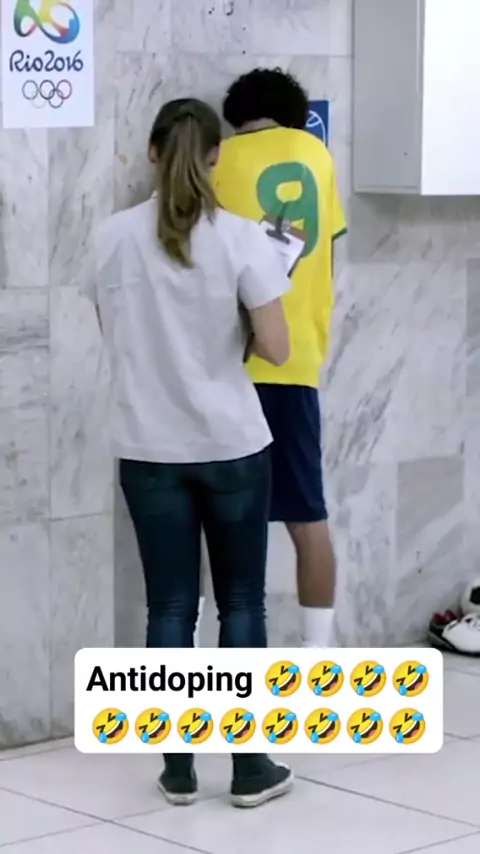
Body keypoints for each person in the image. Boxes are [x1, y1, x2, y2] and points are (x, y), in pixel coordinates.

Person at [87, 98, 293, 808]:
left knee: (170, 608)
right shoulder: (242, 239)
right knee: (241, 604)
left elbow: (112, 332)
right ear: (215, 158)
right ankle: (249, 767)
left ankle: (178, 768)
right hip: (233, 444)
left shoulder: (109, 237)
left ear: (151, 153)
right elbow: (278, 348)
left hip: (148, 448)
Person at [212, 68, 347, 649]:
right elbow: (328, 249)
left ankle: (201, 658)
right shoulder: (318, 156)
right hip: (299, 360)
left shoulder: (220, 160)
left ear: (237, 116)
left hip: (230, 364)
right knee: (308, 516)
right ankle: (319, 658)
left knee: (212, 518)